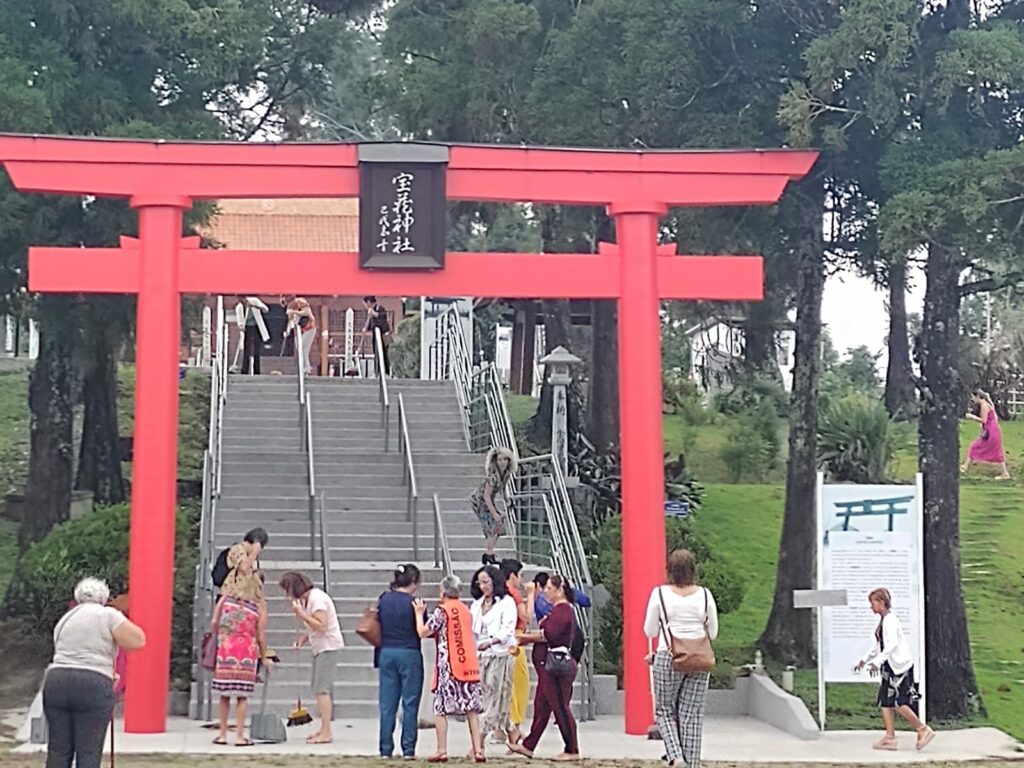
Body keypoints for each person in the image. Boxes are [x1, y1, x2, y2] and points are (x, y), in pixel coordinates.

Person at [43, 578, 146, 768]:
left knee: (58, 749)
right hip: (92, 682)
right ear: (104, 597)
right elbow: (138, 640)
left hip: (56, 681)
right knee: (88, 750)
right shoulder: (108, 615)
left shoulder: (65, 619)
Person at [643, 549, 718, 768]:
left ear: (670, 570)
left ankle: (675, 756)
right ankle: (691, 763)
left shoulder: (659, 594)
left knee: (664, 711)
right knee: (691, 715)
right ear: (693, 570)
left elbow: (649, 630)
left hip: (668, 655)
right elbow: (712, 632)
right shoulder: (705, 595)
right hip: (700, 658)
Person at [413, 575, 486, 764]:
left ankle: (442, 749)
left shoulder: (442, 611)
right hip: (468, 663)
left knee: (440, 709)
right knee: (472, 709)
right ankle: (478, 750)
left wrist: (419, 614)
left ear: (443, 592)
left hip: (449, 665)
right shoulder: (466, 610)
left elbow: (423, 631)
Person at [854, 588, 935, 751]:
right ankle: (890, 737)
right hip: (889, 667)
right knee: (885, 700)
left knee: (899, 702)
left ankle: (922, 729)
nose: (871, 607)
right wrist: (864, 660)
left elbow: (891, 645)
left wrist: (877, 662)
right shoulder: (884, 621)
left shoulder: (890, 621)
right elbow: (878, 645)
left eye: (873, 603)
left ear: (881, 603)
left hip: (899, 668)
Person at [509, 574, 579, 761]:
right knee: (542, 706)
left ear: (559, 590)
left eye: (549, 588)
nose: (546, 591)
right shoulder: (557, 610)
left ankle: (572, 748)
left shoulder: (563, 610)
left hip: (555, 666)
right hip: (547, 667)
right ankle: (529, 745)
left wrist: (525, 638)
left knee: (560, 707)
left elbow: (548, 634)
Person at [211, 533, 269, 746]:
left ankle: (225, 734)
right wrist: (254, 551)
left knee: (227, 693)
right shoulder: (239, 551)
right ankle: (236, 735)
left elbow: (214, 623)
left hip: (229, 641)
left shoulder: (228, 601)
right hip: (243, 644)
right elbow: (244, 568)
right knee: (239, 695)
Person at [279, 571, 344, 744]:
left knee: (321, 689)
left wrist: (301, 614)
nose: (287, 595)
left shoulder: (317, 599)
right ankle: (323, 728)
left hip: (328, 647)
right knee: (317, 688)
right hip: (319, 647)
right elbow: (313, 626)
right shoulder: (307, 600)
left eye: (287, 590)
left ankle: (327, 732)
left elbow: (322, 625)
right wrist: (303, 639)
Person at [377, 564, 425, 759]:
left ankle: (385, 747)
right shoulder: (415, 603)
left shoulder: (384, 599)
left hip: (387, 651)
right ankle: (408, 748)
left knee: (387, 703)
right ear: (414, 582)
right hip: (409, 652)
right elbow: (422, 630)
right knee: (410, 702)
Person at [470, 565, 518, 748]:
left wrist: (491, 642)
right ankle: (512, 733)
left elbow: (507, 629)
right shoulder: (476, 604)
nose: (483, 586)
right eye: (480, 582)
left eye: (486, 582)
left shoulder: (507, 602)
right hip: (481, 655)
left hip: (501, 654)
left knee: (495, 695)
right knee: (493, 697)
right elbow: (472, 631)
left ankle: (479, 739)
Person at [501, 559, 531, 745]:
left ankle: (510, 727)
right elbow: (525, 617)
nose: (520, 579)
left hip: (503, 641)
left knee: (509, 686)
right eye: (519, 576)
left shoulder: (500, 593)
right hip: (515, 638)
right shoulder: (514, 594)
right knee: (519, 686)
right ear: (512, 576)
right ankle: (515, 727)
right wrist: (531, 595)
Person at [471, 447, 517, 565]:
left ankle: (488, 553)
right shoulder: (493, 477)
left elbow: (502, 489)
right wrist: (495, 513)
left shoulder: (505, 475)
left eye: (505, 460)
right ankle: (489, 554)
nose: (502, 463)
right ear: (495, 461)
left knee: (499, 528)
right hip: (480, 501)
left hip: (488, 500)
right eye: (500, 460)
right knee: (491, 527)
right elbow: (486, 496)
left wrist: (507, 500)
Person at [962, 389, 1010, 479]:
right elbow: (993, 417)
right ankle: (1005, 473)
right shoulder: (988, 404)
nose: (972, 399)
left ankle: (965, 466)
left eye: (973, 397)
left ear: (977, 396)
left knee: (975, 446)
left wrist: (972, 417)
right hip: (993, 430)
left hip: (991, 432)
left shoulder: (984, 405)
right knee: (997, 451)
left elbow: (983, 420)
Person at [282, 294, 317, 375]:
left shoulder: (300, 301)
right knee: (299, 349)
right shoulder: (289, 308)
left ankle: (306, 368)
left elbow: (307, 312)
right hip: (298, 331)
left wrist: (294, 312)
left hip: (309, 328)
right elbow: (290, 321)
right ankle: (304, 367)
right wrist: (287, 332)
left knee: (303, 348)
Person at [235, 295, 270, 375]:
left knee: (256, 350)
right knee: (247, 350)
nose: (241, 300)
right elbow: (239, 318)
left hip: (257, 327)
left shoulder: (254, 300)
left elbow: (265, 309)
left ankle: (257, 371)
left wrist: (255, 305)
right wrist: (240, 325)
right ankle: (245, 370)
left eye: (242, 298)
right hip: (247, 328)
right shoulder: (239, 307)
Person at [362, 295, 392, 376]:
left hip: (383, 335)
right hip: (375, 335)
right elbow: (371, 324)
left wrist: (374, 314)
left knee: (383, 353)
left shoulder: (379, 308)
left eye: (365, 303)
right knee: (376, 353)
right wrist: (366, 328)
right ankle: (377, 371)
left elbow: (382, 318)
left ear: (368, 302)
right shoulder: (370, 312)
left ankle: (385, 372)